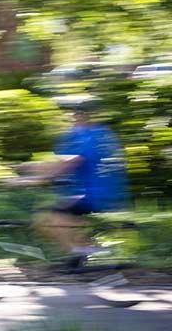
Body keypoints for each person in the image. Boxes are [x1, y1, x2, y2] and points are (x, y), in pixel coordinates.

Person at [15, 96, 127, 263]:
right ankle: (88, 251)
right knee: (58, 218)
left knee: (45, 218)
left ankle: (85, 252)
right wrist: (27, 168)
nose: (72, 117)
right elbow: (61, 162)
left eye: (75, 114)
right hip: (100, 192)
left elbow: (68, 164)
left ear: (83, 115)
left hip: (91, 194)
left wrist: (33, 179)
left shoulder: (85, 136)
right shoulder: (99, 133)